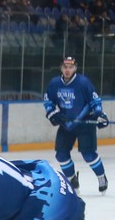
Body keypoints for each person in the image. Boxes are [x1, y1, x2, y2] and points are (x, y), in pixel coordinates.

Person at [44, 55, 109, 194]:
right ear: (61, 68)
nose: (68, 70)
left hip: (85, 122)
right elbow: (48, 102)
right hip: (66, 124)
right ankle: (72, 179)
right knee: (61, 155)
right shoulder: (55, 83)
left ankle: (101, 177)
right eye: (65, 67)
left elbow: (95, 101)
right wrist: (54, 115)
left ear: (75, 68)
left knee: (88, 154)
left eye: (71, 67)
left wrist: (99, 114)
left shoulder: (83, 82)